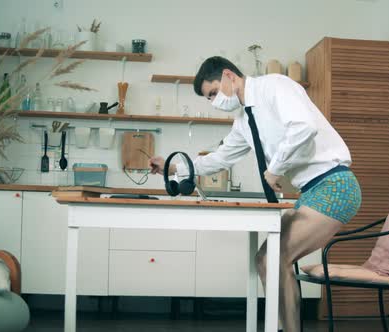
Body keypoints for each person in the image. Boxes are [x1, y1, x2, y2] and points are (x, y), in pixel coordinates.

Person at [149, 56, 361, 332]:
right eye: (209, 99)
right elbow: (220, 158)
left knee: (273, 259)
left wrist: (274, 169)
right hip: (310, 190)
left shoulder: (275, 86)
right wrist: (172, 165)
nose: (214, 101)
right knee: (266, 259)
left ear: (229, 75)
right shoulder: (243, 121)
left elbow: (304, 126)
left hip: (335, 185)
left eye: (213, 93)